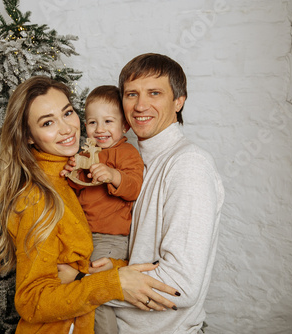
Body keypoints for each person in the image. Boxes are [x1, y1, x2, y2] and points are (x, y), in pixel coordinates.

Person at [0, 76, 180, 334]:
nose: (66, 128)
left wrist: (116, 269)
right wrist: (110, 283)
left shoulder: (73, 173)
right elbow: (31, 301)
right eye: (48, 122)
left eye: (67, 113)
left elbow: (87, 258)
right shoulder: (36, 197)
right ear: (28, 136)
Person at [104, 53, 225, 333]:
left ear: (179, 101)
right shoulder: (132, 162)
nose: (140, 105)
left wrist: (86, 284)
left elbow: (180, 284)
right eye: (131, 94)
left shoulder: (188, 165)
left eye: (154, 93)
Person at [61, 85, 144, 334]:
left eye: (108, 121)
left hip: (110, 238)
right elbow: (75, 193)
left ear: (125, 126)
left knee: (96, 290)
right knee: (78, 290)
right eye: (92, 122)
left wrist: (113, 175)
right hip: (85, 235)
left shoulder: (126, 153)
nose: (100, 129)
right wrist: (69, 174)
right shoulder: (86, 153)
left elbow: (133, 187)